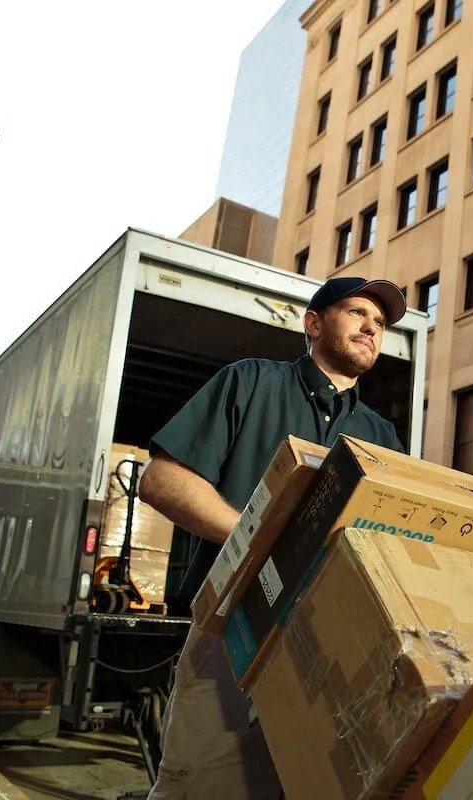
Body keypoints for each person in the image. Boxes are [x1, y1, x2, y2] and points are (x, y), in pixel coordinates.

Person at [139, 276, 408, 800]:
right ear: (313, 324)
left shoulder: (383, 437)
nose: (371, 328)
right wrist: (264, 537)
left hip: (331, 644)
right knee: (207, 787)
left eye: (379, 324)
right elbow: (161, 480)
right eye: (357, 313)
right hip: (234, 629)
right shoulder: (251, 382)